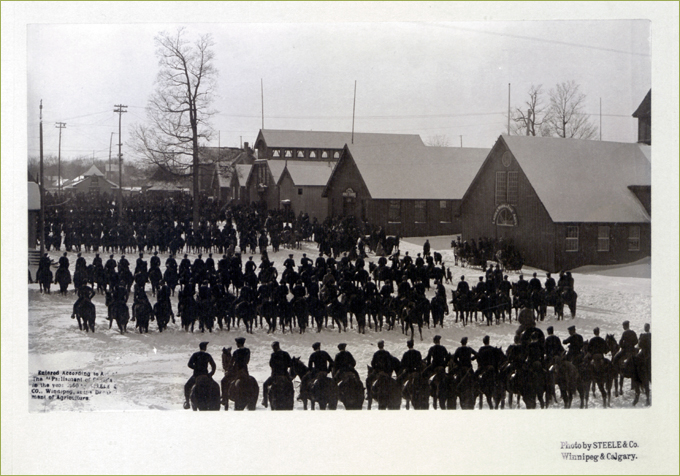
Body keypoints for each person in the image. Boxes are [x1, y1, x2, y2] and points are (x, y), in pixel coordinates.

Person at [184, 341, 216, 409]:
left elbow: (189, 364)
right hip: (206, 375)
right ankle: (218, 399)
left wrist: (196, 368)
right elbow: (214, 365)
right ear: (205, 348)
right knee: (216, 385)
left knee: (187, 386)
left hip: (196, 375)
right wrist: (211, 374)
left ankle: (187, 403)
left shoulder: (195, 355)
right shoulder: (208, 355)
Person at [262, 341, 292, 408]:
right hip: (285, 375)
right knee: (290, 384)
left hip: (275, 376)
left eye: (273, 347)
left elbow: (271, 364)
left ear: (275, 347)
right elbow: (290, 364)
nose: (273, 349)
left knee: (265, 384)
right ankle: (291, 399)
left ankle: (265, 401)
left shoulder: (273, 355)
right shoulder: (285, 354)